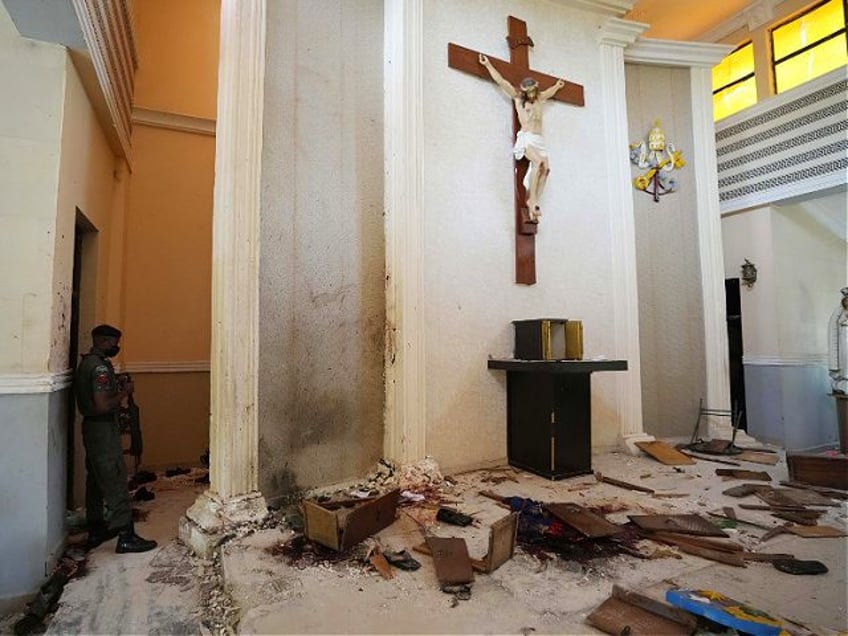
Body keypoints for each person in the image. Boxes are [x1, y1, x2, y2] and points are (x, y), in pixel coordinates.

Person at [73, 324, 157, 553]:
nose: (115, 347)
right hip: (102, 429)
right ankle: (126, 535)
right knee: (115, 478)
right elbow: (102, 405)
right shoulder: (99, 368)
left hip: (92, 429)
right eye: (113, 342)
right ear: (102, 340)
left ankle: (97, 528)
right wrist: (124, 392)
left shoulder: (87, 363)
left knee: (96, 480)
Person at [479, 53, 566, 222]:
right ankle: (531, 199)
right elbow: (502, 82)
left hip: (539, 140)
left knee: (546, 169)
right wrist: (488, 65)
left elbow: (549, 92)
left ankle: (534, 201)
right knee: (538, 163)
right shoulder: (518, 99)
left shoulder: (540, 99)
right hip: (526, 138)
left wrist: (557, 86)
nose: (533, 93)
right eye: (530, 91)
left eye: (534, 90)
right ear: (525, 91)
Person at [828, 288, 848, 394]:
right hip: (844, 341)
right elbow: (835, 327)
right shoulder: (839, 312)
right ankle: (842, 382)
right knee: (845, 361)